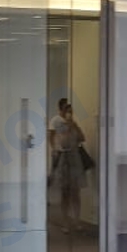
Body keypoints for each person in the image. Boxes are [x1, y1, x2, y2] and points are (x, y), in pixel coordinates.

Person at [48, 98, 87, 231]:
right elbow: (63, 141)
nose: (69, 113)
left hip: (75, 159)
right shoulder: (59, 123)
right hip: (64, 159)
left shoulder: (74, 124)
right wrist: (68, 126)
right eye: (67, 111)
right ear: (62, 111)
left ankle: (77, 221)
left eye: (71, 111)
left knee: (76, 191)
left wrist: (75, 125)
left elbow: (82, 138)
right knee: (65, 192)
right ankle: (66, 223)